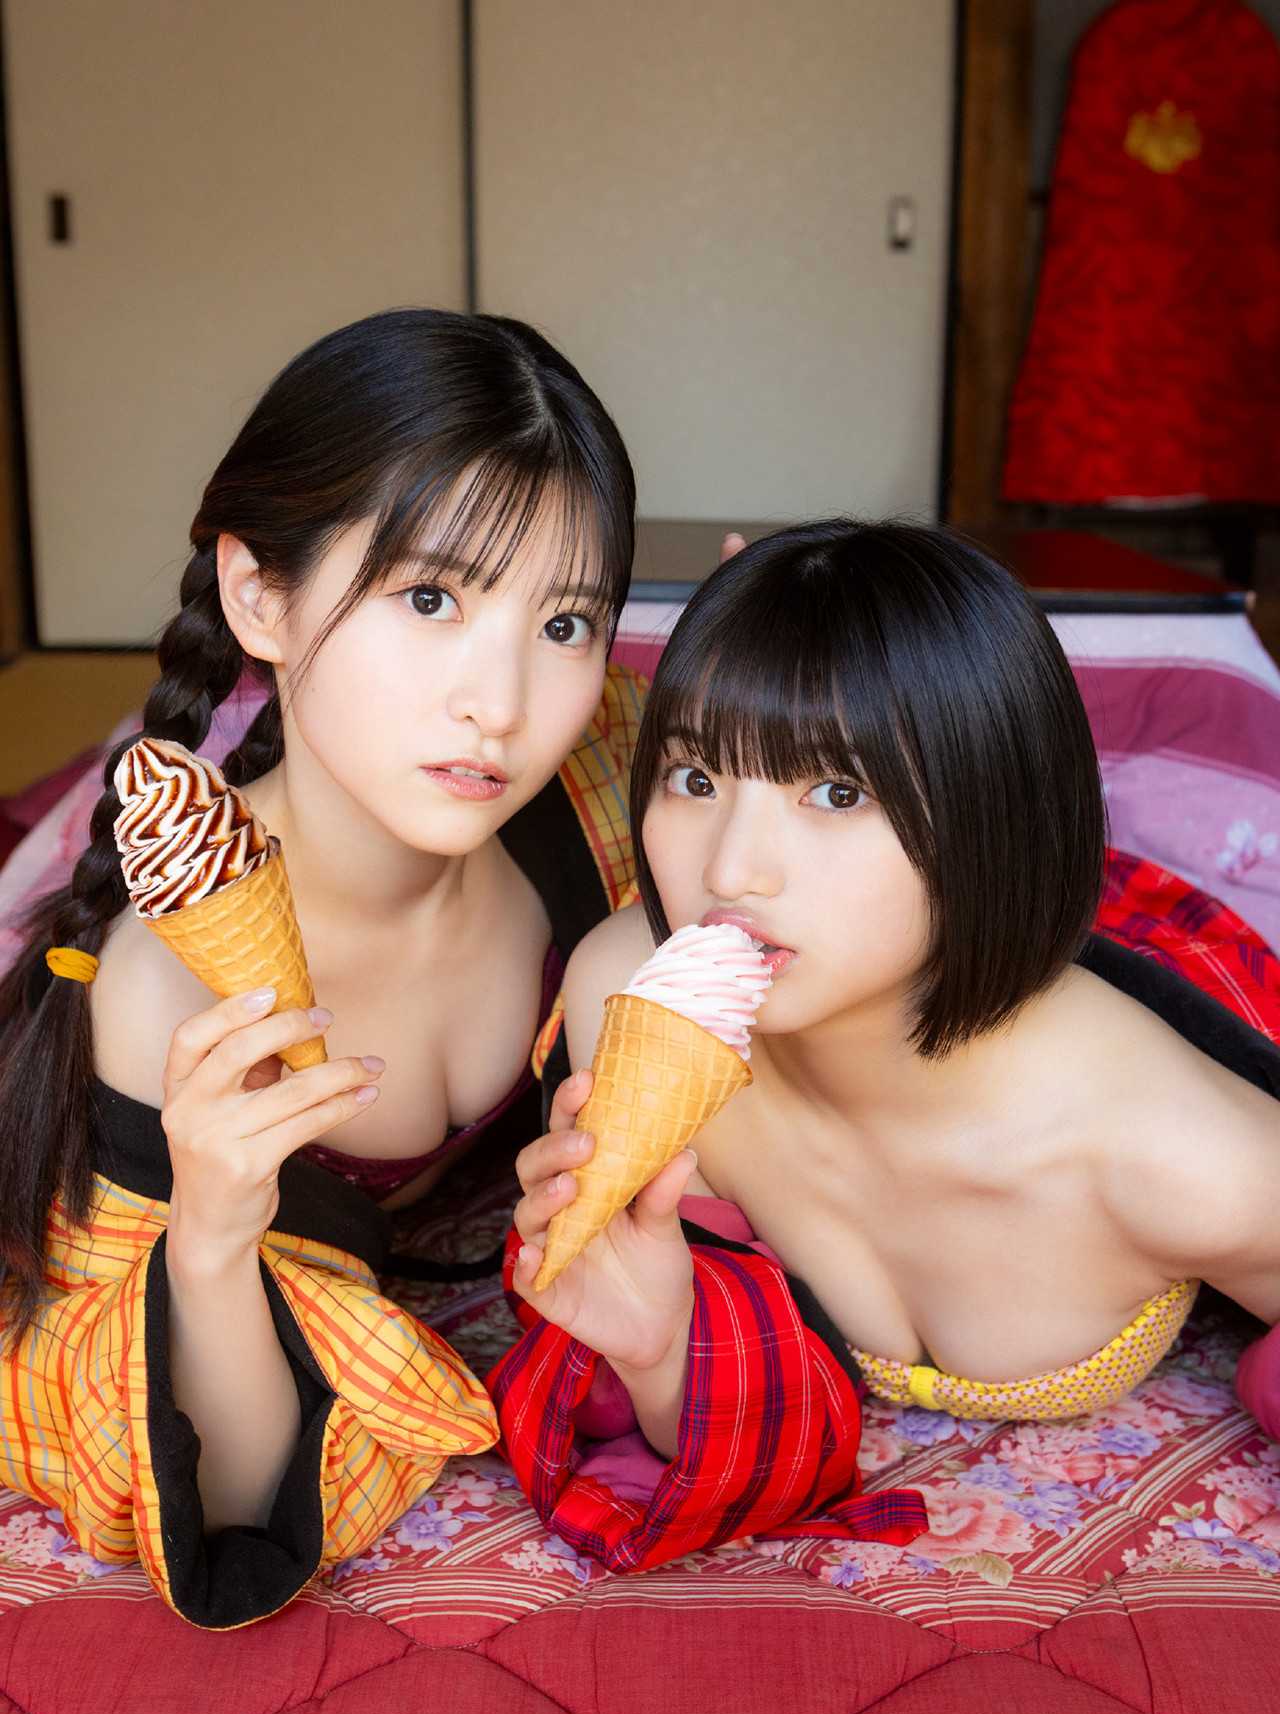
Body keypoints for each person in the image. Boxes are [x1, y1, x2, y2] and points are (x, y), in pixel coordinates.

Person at [0, 307, 647, 1627]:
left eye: (566, 621)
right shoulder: (171, 997)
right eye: (430, 598)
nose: (502, 705)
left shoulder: (587, 805)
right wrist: (212, 1241)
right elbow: (234, 1498)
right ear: (260, 597)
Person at [491, 519, 1280, 1571]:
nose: (731, 870)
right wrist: (659, 1346)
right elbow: (719, 1401)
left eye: (836, 792)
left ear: (985, 809)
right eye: (694, 778)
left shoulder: (1189, 1159)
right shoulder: (626, 992)